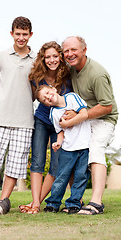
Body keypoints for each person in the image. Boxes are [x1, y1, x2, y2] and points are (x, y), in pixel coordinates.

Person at [0, 16, 36, 215]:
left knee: (15, 165)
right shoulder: (0, 57)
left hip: (25, 121)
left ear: (30, 35)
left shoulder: (36, 60)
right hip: (1, 118)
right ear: (12, 34)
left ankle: (2, 203)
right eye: (17, 34)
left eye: (24, 34)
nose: (21, 38)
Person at [62, 36, 118, 215]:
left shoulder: (97, 73)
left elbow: (107, 106)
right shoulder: (71, 71)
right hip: (85, 118)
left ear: (84, 50)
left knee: (95, 149)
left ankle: (96, 203)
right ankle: (76, 200)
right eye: (66, 51)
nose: (70, 54)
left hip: (104, 118)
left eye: (74, 50)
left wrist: (80, 115)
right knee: (71, 150)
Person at [19, 41, 72, 214]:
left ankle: (35, 204)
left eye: (55, 56)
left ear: (60, 57)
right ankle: (35, 204)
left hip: (60, 125)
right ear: (43, 59)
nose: (51, 60)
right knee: (37, 162)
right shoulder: (37, 76)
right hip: (41, 120)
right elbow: (31, 98)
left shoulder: (68, 76)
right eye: (47, 57)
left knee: (56, 167)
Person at [36, 84, 91, 214]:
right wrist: (58, 143)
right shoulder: (53, 113)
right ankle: (53, 203)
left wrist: (67, 123)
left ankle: (74, 203)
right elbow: (60, 131)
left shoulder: (72, 97)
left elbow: (84, 114)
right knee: (61, 177)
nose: (48, 97)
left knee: (80, 176)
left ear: (53, 89)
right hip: (67, 148)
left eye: (48, 92)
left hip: (84, 146)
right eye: (45, 99)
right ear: (46, 104)